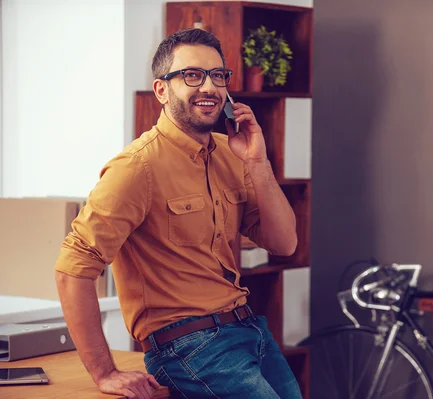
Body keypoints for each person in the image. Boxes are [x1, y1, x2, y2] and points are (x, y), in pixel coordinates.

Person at [54, 28, 302, 399]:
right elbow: (72, 269)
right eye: (191, 75)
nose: (209, 87)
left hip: (249, 330)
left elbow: (284, 243)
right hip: (190, 348)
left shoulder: (231, 152)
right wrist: (104, 372)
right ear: (161, 90)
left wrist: (257, 161)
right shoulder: (136, 167)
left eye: (218, 75)